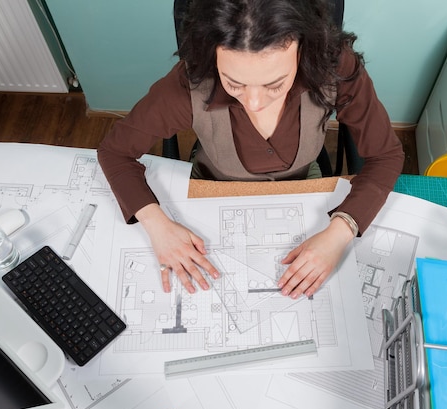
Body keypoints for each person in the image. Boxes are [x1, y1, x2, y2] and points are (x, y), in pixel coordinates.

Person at [97, 0, 404, 299]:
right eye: (234, 83)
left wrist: (340, 233)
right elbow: (115, 152)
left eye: (275, 84)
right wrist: (157, 224)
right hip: (213, 188)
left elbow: (385, 155)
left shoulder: (334, 65)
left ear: (304, 49)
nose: (253, 103)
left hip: (302, 189)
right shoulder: (190, 81)